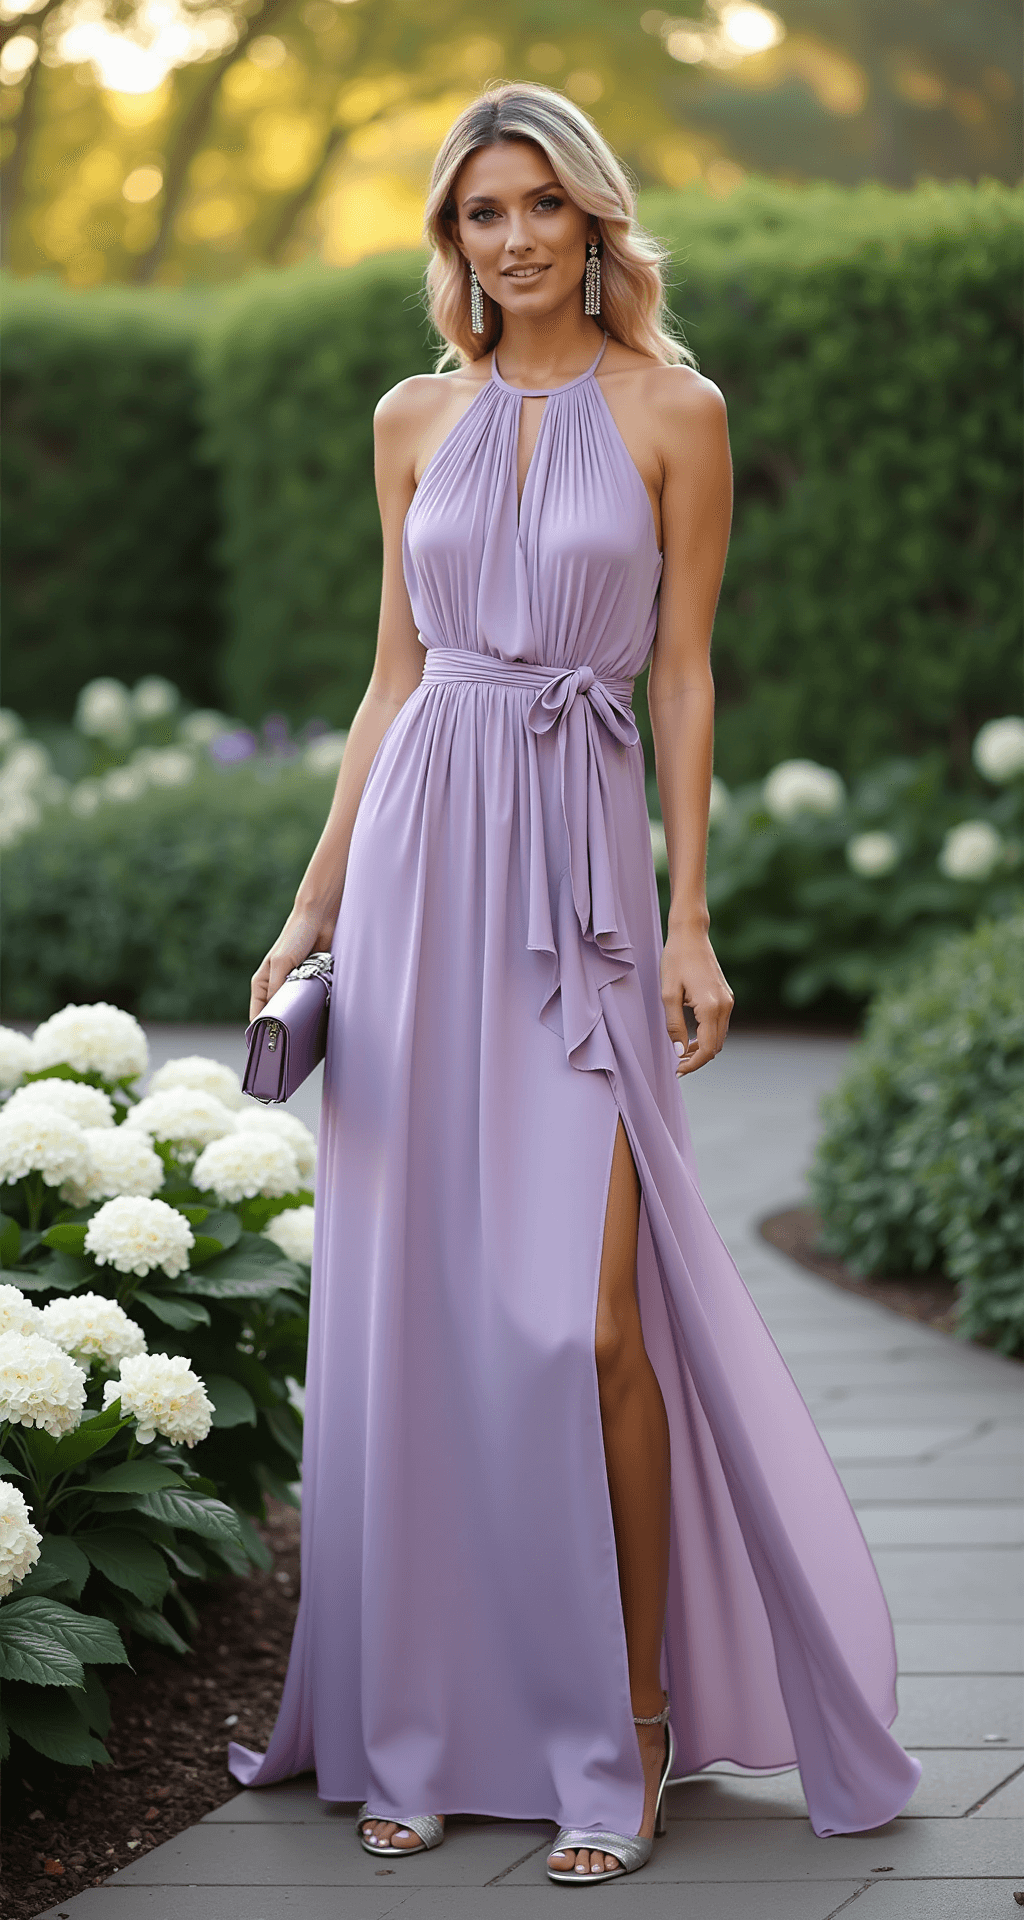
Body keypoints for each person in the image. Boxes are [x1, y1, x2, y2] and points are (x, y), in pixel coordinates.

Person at [229, 81, 921, 1886]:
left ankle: (629, 1719)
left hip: (579, 886)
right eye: (481, 214)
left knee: (587, 1324)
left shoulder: (675, 410)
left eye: (542, 205)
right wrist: (314, 912)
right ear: (452, 242)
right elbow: (391, 678)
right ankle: (423, 1725)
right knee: (428, 1324)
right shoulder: (410, 420)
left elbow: (681, 680)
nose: (516, 238)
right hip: (421, 871)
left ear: (595, 221)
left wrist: (693, 920)